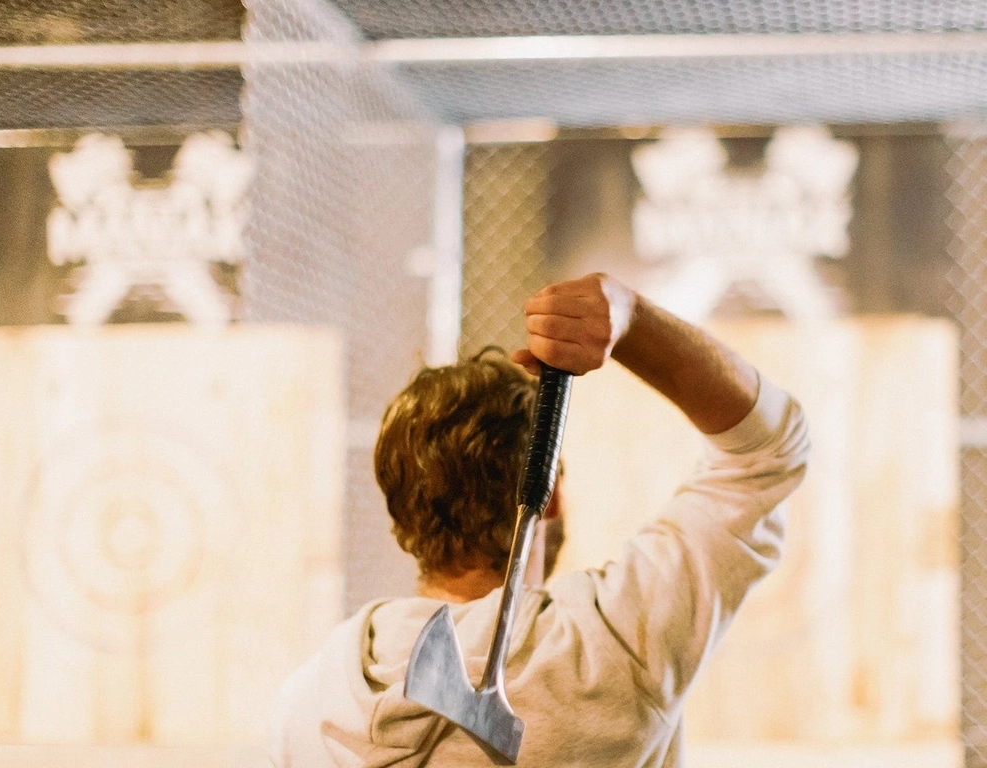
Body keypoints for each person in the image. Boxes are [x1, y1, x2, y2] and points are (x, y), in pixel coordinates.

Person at [269, 272, 809, 767]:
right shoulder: (607, 648)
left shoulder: (308, 703)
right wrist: (632, 320)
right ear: (549, 498)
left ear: (401, 506)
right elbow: (768, 449)